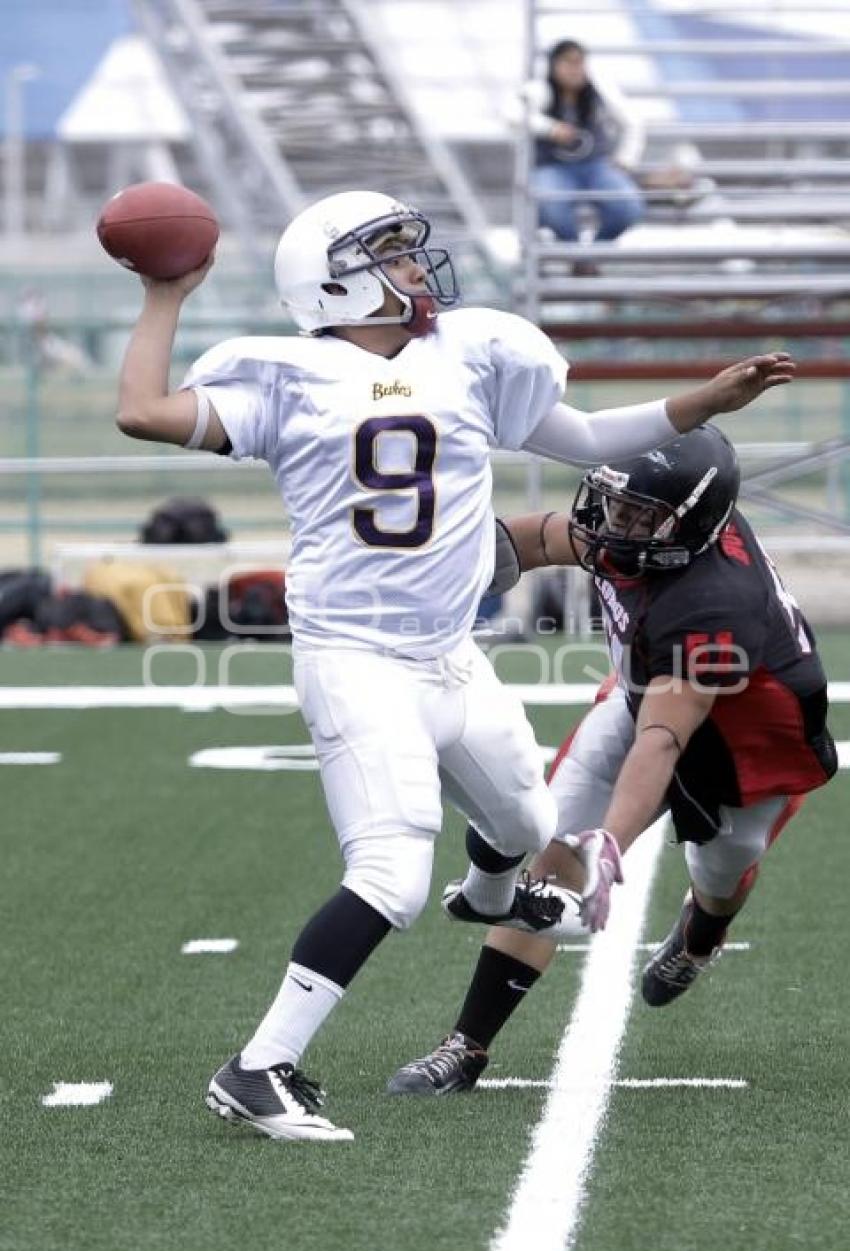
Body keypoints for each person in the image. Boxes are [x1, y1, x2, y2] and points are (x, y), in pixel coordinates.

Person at [115, 187, 795, 1140]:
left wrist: (705, 402)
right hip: (356, 655)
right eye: (389, 253)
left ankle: (481, 896)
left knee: (527, 818)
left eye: (404, 249)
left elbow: (591, 437)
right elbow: (143, 411)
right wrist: (164, 292)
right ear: (337, 280)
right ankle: (259, 1065)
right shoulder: (283, 376)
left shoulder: (470, 352)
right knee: (390, 870)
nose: (412, 268)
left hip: (449, 651)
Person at [388, 425, 837, 1095]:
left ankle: (699, 938)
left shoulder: (714, 599)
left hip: (746, 755)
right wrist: (428, 573)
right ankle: (467, 1043)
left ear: (691, 523)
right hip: (644, 700)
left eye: (637, 514)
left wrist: (611, 842)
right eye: (613, 503)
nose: (613, 523)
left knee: (721, 873)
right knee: (551, 860)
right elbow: (539, 538)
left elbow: (664, 738)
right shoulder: (647, 528)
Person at [526, 39, 645, 249]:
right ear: (554, 65)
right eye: (568, 63)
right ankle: (577, 254)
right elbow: (512, 113)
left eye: (579, 63)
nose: (575, 69)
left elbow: (633, 121)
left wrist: (627, 159)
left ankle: (589, 255)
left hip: (596, 166)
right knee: (549, 203)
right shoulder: (539, 90)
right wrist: (551, 129)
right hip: (552, 167)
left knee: (629, 208)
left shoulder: (599, 90)